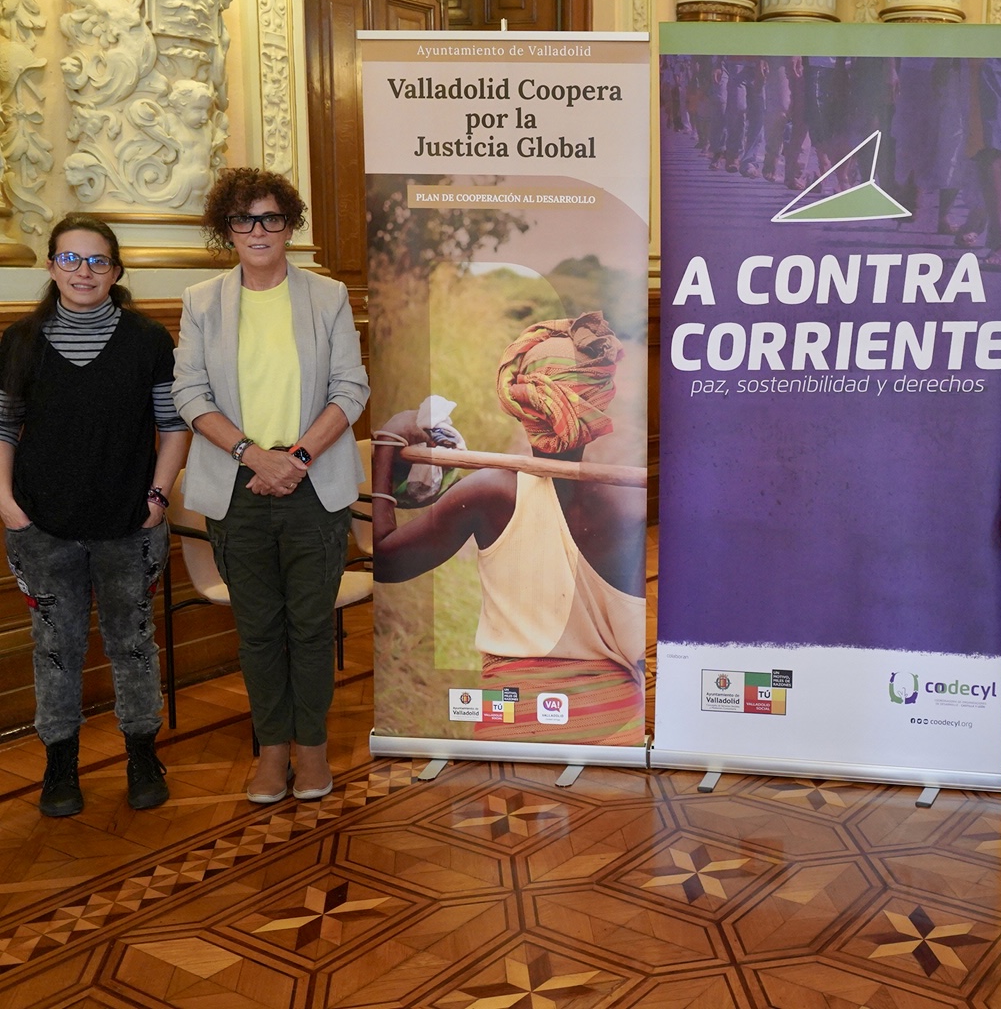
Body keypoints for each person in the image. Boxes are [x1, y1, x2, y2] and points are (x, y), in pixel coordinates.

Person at [172, 168, 369, 804]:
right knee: (258, 631)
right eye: (243, 219)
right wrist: (255, 456)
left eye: (271, 218)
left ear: (289, 225)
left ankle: (311, 750)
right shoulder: (202, 300)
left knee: (310, 628)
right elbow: (188, 394)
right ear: (225, 229)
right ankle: (272, 750)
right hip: (237, 489)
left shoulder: (327, 296)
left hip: (315, 485)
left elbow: (351, 388)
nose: (258, 231)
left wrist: (297, 457)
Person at [369, 312, 646, 739]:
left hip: (512, 719)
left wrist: (387, 443)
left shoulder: (487, 492)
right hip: (618, 723)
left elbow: (387, 563)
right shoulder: (632, 505)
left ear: (521, 408)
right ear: (598, 404)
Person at [0, 214, 189, 816]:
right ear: (51, 266)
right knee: (55, 648)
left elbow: (172, 426)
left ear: (115, 270)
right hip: (41, 526)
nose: (83, 271)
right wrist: (6, 504)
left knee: (133, 644)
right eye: (70, 259)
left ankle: (142, 756)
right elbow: (3, 428)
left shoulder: (148, 340)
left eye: (97, 260)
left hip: (130, 525)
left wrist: (158, 498)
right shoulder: (20, 340)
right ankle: (60, 766)